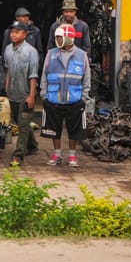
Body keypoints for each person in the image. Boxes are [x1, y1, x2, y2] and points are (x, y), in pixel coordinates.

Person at [40, 24, 91, 167]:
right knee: (53, 129)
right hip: (53, 98)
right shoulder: (51, 54)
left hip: (74, 100)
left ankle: (72, 156)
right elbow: (44, 75)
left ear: (68, 38)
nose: (57, 40)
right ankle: (57, 154)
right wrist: (44, 95)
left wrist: (84, 97)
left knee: (73, 130)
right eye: (56, 37)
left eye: (60, 37)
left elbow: (86, 77)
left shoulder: (81, 55)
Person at [3, 21, 40, 166]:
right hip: (13, 92)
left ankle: (18, 155)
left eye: (17, 32)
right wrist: (6, 85)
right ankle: (32, 145)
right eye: (12, 32)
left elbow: (33, 75)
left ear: (24, 34)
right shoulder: (7, 49)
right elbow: (7, 69)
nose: (13, 34)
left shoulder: (31, 52)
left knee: (23, 125)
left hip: (26, 93)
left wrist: (31, 95)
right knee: (19, 121)